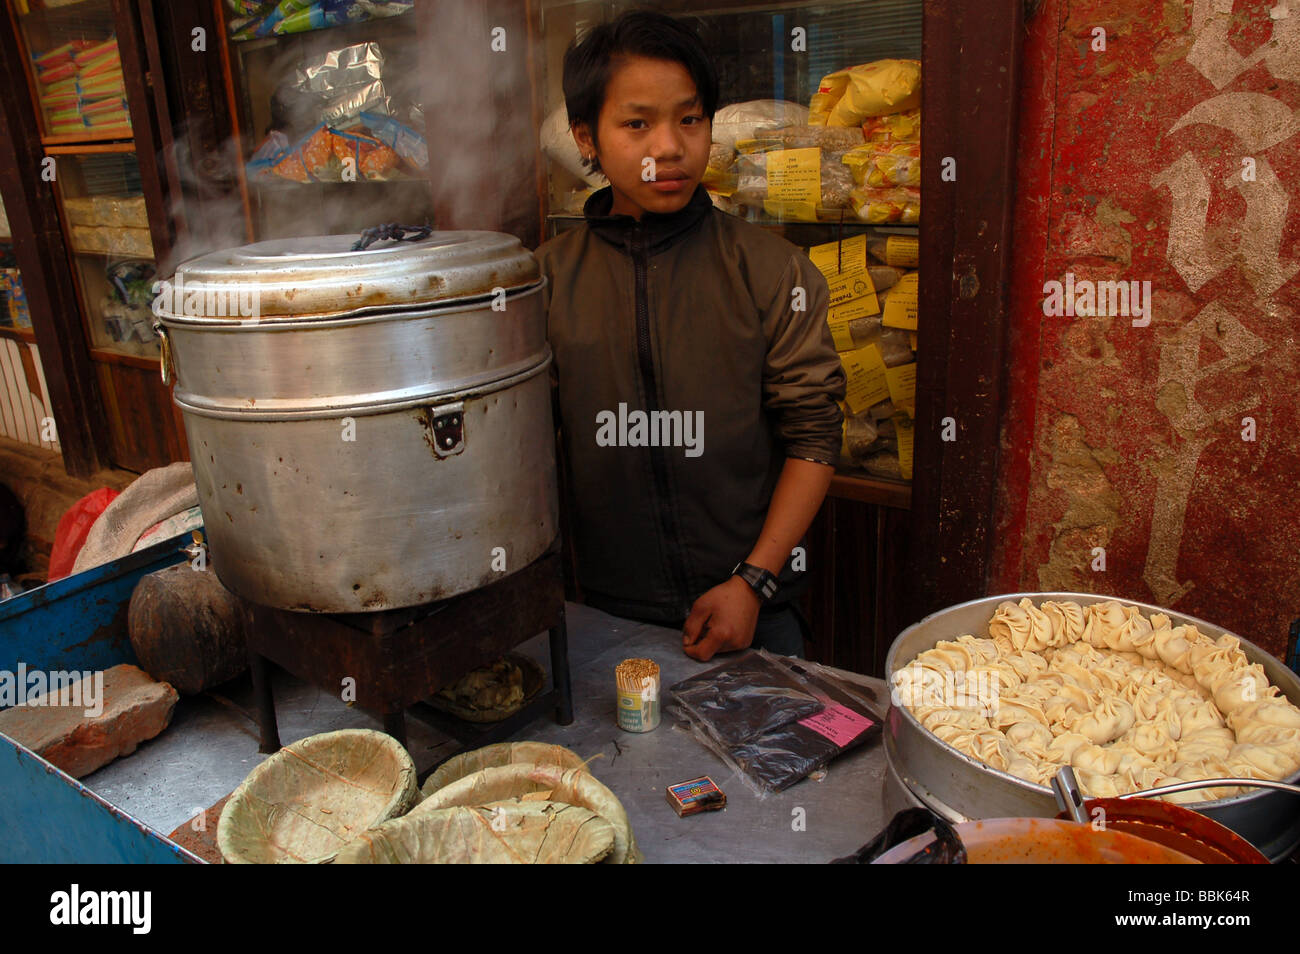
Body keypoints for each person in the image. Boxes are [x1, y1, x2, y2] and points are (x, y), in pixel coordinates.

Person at [535, 10, 845, 662]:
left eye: (690, 118)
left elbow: (814, 439)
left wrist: (753, 581)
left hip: (754, 609)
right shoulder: (549, 281)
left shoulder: (770, 269)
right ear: (585, 137)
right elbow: (528, 447)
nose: (669, 148)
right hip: (605, 615)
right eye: (637, 123)